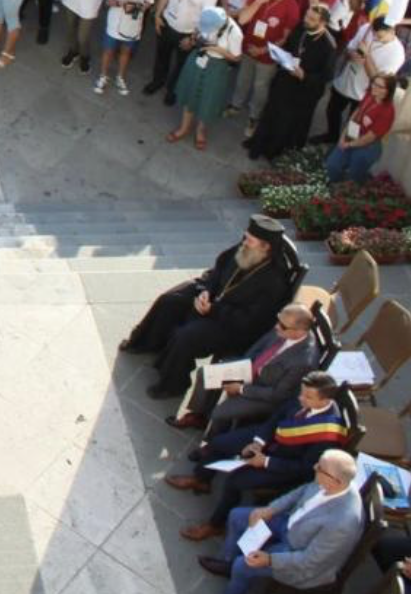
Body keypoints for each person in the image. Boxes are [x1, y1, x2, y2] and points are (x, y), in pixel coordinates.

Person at [123, 216, 298, 398]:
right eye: (245, 237)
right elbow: (216, 272)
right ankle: (148, 343)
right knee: (170, 300)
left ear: (265, 246)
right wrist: (206, 291)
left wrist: (213, 310)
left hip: (233, 325)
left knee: (186, 336)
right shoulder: (244, 250)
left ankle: (173, 385)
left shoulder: (274, 282)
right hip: (213, 300)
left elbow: (250, 321)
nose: (244, 242)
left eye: (250, 240)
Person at [170, 373, 350, 538]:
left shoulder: (327, 435)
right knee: (219, 443)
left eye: (308, 397)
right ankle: (201, 479)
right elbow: (277, 418)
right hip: (271, 439)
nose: (300, 398)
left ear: (325, 400)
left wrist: (266, 461)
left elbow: (304, 469)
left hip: (282, 464)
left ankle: (215, 525)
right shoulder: (305, 398)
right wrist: (258, 442)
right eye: (302, 393)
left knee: (235, 480)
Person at [204, 449, 364, 592]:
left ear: (336, 481)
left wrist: (270, 560)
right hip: (290, 523)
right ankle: (227, 563)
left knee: (243, 565)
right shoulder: (330, 480)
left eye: (319, 468)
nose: (315, 467)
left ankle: (235, 576)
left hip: (296, 552)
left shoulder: (343, 522)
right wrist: (270, 509)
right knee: (237, 516)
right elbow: (299, 492)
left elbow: (309, 561)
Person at [170, 304, 321, 434]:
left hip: (264, 391)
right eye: (278, 320)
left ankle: (212, 442)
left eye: (282, 326)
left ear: (299, 331)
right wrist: (240, 368)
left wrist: (241, 389)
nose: (276, 327)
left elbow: (278, 395)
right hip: (250, 369)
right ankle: (198, 416)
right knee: (205, 374)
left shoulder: (303, 361)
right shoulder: (285, 327)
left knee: (220, 413)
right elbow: (258, 347)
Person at [244, 4, 336, 160]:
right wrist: (281, 56)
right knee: (271, 111)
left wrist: (304, 75)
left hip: (304, 89)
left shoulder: (328, 45)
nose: (306, 20)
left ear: (323, 23)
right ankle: (259, 144)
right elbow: (289, 45)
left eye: (312, 19)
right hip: (286, 78)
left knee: (286, 121)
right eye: (306, 16)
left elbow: (327, 76)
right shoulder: (302, 27)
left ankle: (274, 152)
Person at [169, 4, 244, 151]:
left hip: (217, 66)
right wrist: (192, 40)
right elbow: (196, 33)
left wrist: (216, 49)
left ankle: (200, 131)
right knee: (190, 92)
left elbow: (236, 58)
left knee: (208, 100)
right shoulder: (206, 17)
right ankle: (184, 127)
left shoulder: (235, 32)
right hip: (198, 58)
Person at [325, 73, 398, 184]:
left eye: (380, 86)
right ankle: (335, 185)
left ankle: (347, 190)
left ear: (388, 91)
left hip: (368, 145)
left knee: (354, 175)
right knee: (332, 165)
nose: (374, 87)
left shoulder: (387, 111)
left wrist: (349, 144)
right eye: (374, 83)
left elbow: (370, 137)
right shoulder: (370, 95)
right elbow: (357, 112)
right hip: (354, 133)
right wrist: (344, 135)